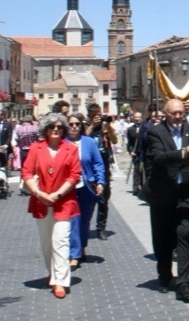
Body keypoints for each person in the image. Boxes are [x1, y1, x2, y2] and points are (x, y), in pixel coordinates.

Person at [145, 98, 189, 300]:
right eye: (174, 113)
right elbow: (158, 158)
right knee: (163, 237)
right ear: (165, 113)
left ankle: (185, 282)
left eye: (181, 113)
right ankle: (164, 276)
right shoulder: (155, 132)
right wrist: (185, 152)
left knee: (183, 232)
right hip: (163, 193)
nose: (178, 116)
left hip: (186, 192)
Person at [21, 113, 81, 299]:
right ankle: (52, 272)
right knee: (47, 242)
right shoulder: (36, 148)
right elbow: (26, 172)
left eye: (59, 127)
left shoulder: (71, 149)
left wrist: (57, 194)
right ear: (45, 129)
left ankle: (60, 280)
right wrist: (38, 193)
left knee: (61, 241)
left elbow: (74, 175)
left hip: (64, 202)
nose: (55, 130)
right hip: (41, 201)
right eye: (51, 127)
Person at [66, 114, 105, 270]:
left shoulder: (88, 142)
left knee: (84, 219)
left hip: (87, 186)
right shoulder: (62, 143)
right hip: (68, 187)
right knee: (73, 219)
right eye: (71, 124)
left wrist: (100, 181)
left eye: (77, 124)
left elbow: (98, 163)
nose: (74, 127)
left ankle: (81, 246)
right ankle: (74, 254)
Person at [85, 103, 117, 240]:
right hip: (89, 167)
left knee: (104, 200)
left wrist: (108, 127)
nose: (97, 118)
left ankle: (101, 229)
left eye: (99, 115)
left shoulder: (104, 128)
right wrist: (92, 125)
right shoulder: (85, 126)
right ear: (89, 115)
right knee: (89, 201)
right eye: (94, 115)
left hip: (103, 166)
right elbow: (82, 139)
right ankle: (85, 226)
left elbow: (115, 140)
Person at [126, 111, 143, 196]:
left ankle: (143, 188)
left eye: (139, 117)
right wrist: (131, 151)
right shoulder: (130, 129)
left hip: (144, 152)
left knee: (143, 170)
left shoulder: (145, 128)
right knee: (136, 170)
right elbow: (129, 143)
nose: (137, 119)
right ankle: (135, 188)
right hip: (136, 152)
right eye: (136, 117)